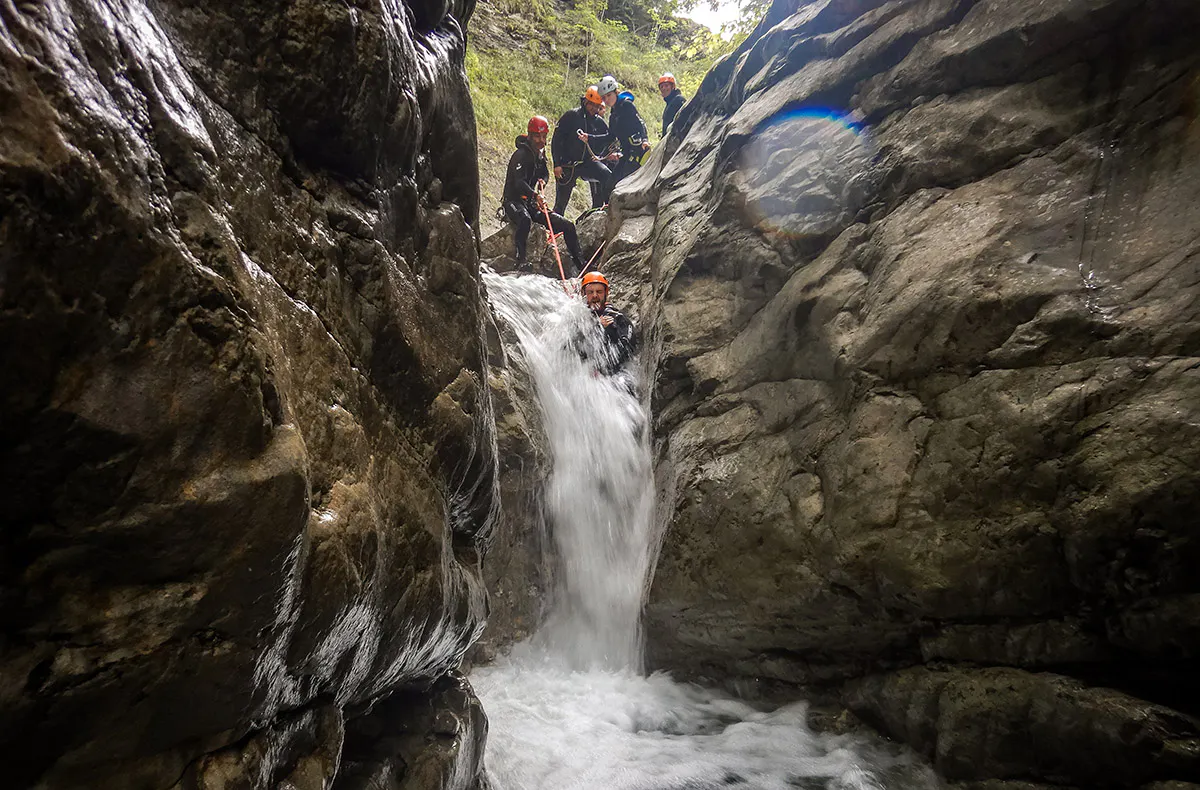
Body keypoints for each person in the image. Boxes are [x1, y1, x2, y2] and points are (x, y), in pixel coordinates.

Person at [503, 116, 584, 275]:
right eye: (537, 136)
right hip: (513, 201)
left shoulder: (540, 154)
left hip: (530, 203)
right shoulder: (520, 155)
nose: (541, 140)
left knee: (567, 225)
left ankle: (580, 262)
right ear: (530, 135)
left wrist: (543, 181)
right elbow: (519, 183)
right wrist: (535, 195)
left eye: (543, 136)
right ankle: (521, 260)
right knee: (524, 219)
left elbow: (545, 174)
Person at [551, 86, 620, 216]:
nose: (595, 109)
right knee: (560, 203)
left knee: (607, 176)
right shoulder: (572, 116)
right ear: (586, 102)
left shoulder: (599, 122)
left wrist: (602, 156)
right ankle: (554, 229)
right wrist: (557, 164)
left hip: (588, 163)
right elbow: (557, 140)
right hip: (568, 164)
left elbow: (610, 140)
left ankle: (608, 210)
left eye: (598, 107)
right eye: (592, 106)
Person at [593, 76, 650, 185]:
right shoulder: (613, 115)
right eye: (604, 98)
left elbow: (640, 123)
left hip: (637, 152)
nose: (607, 100)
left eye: (609, 95)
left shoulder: (626, 105)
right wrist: (589, 137)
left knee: (622, 183)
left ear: (615, 92)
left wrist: (645, 139)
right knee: (611, 182)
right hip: (626, 153)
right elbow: (610, 136)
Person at [580, 271, 637, 376]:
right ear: (584, 294)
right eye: (590, 292)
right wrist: (597, 327)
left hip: (614, 377)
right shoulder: (578, 319)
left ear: (606, 293)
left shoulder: (618, 318)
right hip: (586, 376)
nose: (595, 296)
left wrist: (610, 330)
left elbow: (628, 348)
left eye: (599, 292)